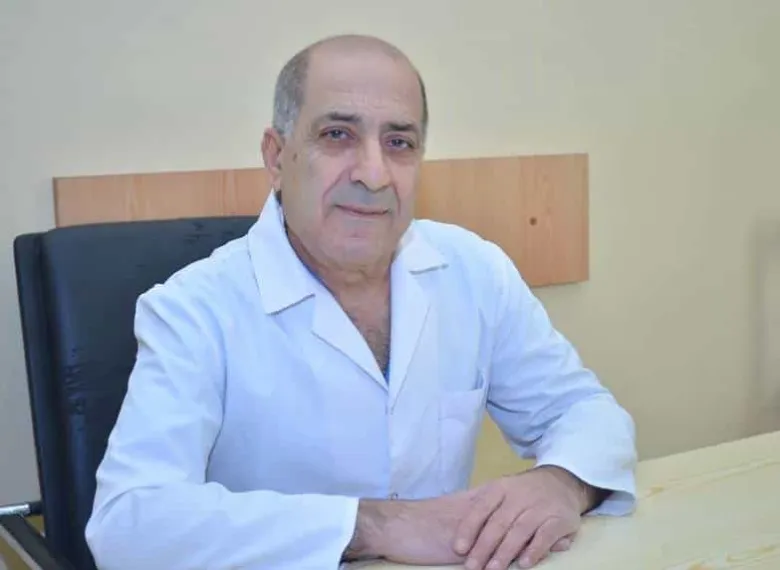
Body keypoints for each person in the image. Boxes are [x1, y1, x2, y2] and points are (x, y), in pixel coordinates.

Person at [85, 34, 637, 570]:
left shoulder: (475, 270)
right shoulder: (192, 310)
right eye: (337, 135)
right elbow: (128, 524)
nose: (373, 175)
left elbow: (584, 411)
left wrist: (561, 483)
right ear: (276, 157)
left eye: (399, 143)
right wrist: (374, 526)